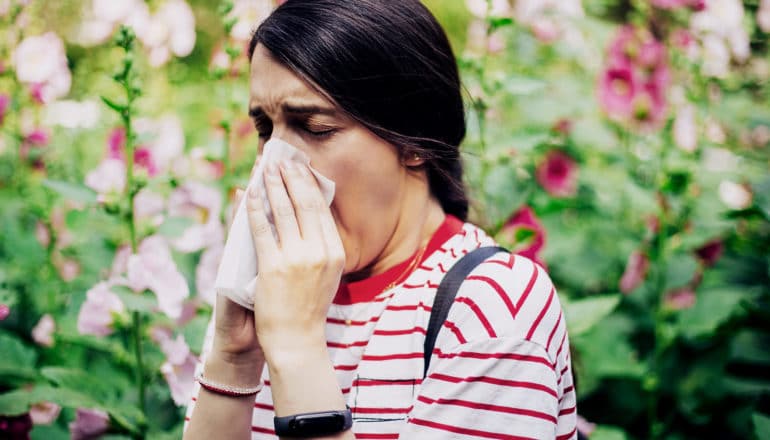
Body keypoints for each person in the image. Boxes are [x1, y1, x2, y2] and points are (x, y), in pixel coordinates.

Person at [184, 1, 577, 438]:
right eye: (265, 129)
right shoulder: (270, 293)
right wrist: (234, 357)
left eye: (315, 127)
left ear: (413, 141)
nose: (272, 166)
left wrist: (297, 349)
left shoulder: (493, 306)